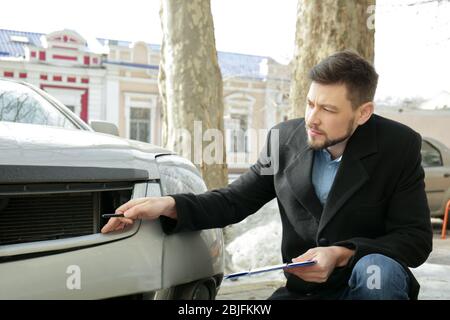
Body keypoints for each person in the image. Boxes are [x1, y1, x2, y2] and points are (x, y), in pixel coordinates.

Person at [101, 50, 432, 300]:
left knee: (379, 271)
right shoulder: (284, 139)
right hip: (304, 292)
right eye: (310, 103)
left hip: (371, 287)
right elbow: (234, 201)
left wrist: (342, 253)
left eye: (328, 109)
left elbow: (415, 240)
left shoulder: (398, 146)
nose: (312, 119)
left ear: (363, 113)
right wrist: (168, 205)